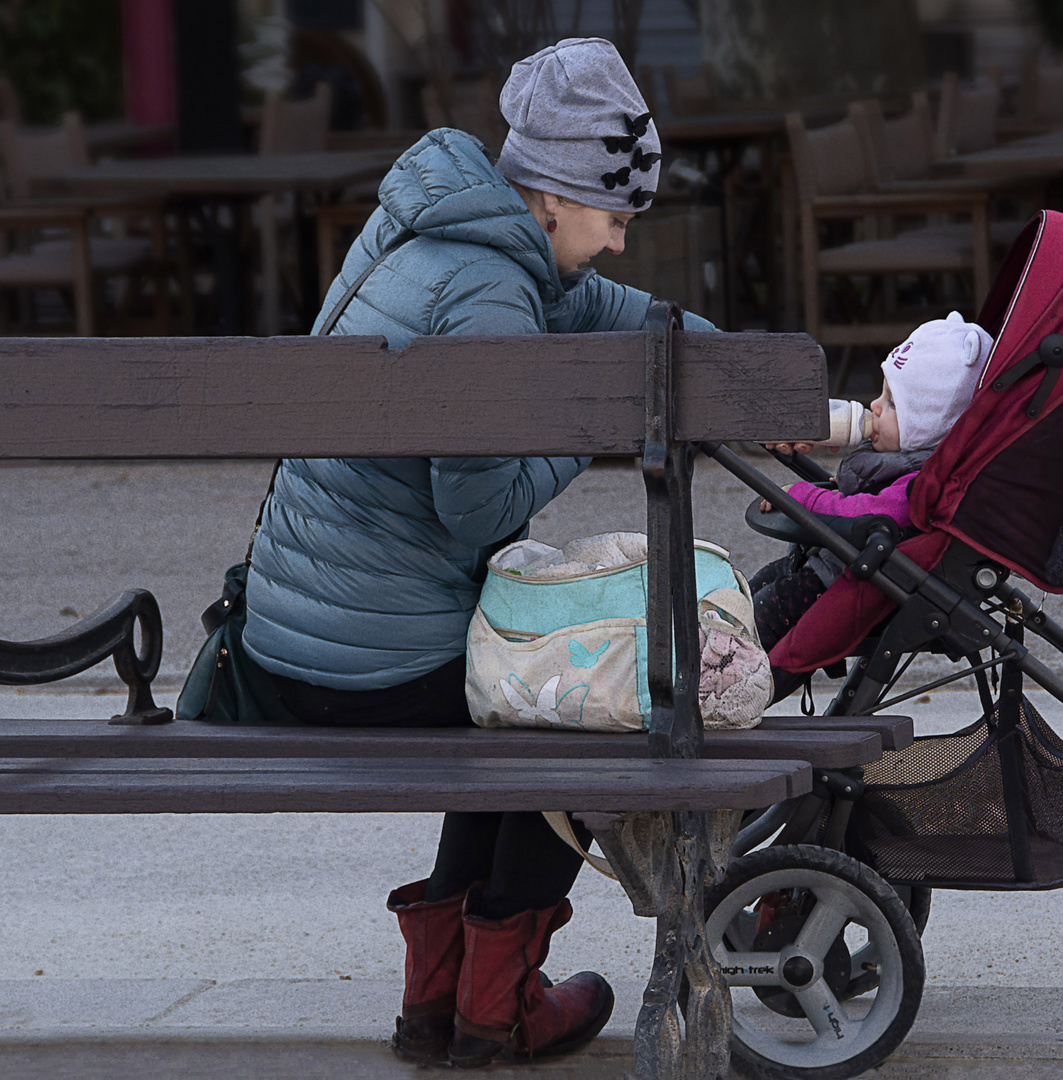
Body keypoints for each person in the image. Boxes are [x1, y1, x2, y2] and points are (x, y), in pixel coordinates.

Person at [235, 38, 716, 1069]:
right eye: (617, 218)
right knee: (583, 699)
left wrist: (733, 369)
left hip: (297, 640)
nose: (622, 245)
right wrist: (593, 428)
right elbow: (477, 509)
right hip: (362, 669)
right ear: (553, 196)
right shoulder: (491, 291)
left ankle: (439, 997)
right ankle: (497, 1006)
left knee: (512, 690)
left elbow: (611, 312)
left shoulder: (450, 228)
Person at [750, 311, 994, 650]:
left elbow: (869, 515)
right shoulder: (910, 454)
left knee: (756, 620)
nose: (875, 407)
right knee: (744, 595)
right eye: (882, 394)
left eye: (892, 403)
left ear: (933, 426)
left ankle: (721, 686)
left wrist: (805, 497)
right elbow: (872, 477)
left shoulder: (921, 484)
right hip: (823, 567)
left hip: (846, 586)